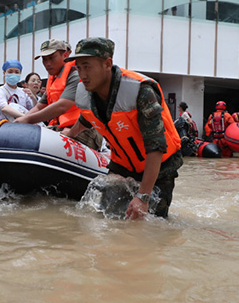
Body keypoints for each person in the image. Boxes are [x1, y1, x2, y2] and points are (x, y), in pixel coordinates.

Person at [63, 37, 183, 220]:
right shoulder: (85, 92)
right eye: (78, 67)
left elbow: (156, 146)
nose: (82, 74)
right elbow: (87, 118)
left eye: (87, 66)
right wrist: (69, 134)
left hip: (159, 166)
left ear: (107, 64)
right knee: (106, 218)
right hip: (123, 165)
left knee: (149, 225)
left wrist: (143, 196)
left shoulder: (140, 91)